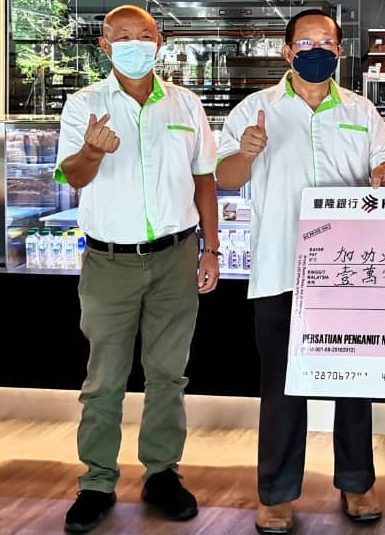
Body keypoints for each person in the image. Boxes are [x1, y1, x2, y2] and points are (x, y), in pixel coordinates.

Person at [215, 8, 385, 534]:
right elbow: (226, 177)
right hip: (281, 267)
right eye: (305, 43)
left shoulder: (362, 110)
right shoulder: (255, 110)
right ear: (287, 51)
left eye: (326, 43)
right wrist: (246, 153)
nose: (316, 51)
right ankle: (275, 494)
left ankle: (357, 483)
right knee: (281, 386)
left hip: (349, 272)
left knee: (354, 382)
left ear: (339, 52)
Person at [54, 5, 220, 533]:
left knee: (168, 374)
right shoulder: (85, 104)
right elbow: (73, 176)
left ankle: (162, 473)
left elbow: (205, 179)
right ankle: (97, 480)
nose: (133, 44)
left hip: (176, 256)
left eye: (142, 35)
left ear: (159, 41)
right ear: (105, 47)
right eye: (121, 37)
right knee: (104, 378)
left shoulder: (185, 103)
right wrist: (92, 151)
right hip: (109, 262)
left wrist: (211, 249)